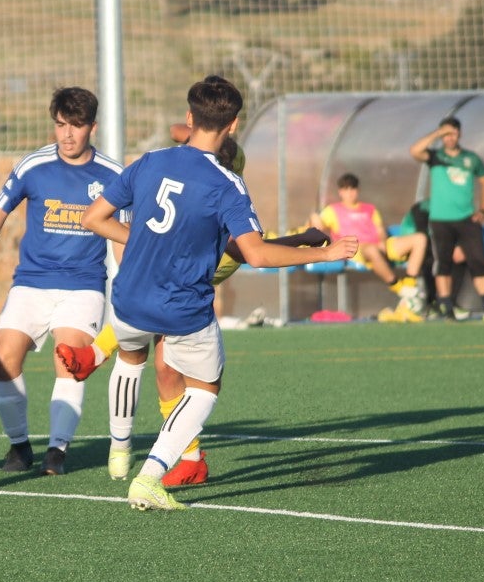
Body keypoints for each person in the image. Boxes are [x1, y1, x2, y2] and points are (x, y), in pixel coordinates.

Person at [80, 75, 357, 510]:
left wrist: (138, 241)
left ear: (190, 117)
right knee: (206, 387)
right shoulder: (228, 184)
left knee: (130, 359)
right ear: (233, 125)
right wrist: (323, 253)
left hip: (128, 301)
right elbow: (258, 255)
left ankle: (119, 447)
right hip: (181, 310)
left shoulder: (150, 160)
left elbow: (94, 218)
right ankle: (150, 476)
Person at [56, 124, 245, 487]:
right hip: (172, 267)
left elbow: (246, 247)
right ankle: (180, 457)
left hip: (200, 268)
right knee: (159, 365)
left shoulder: (223, 183)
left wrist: (303, 242)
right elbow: (182, 132)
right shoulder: (183, 161)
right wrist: (190, 128)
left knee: (163, 363)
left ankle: (96, 354)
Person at [0, 87, 123, 476]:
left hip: (83, 285)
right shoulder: (33, 165)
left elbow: (119, 234)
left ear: (92, 128)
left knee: (68, 358)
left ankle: (57, 451)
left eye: (76, 126)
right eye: (60, 125)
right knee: (4, 356)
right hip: (31, 281)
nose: (66, 135)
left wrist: (127, 281)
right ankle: (19, 445)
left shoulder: (114, 176)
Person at [409, 116, 484, 321]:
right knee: (443, 263)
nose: (449, 138)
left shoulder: (471, 159)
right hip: (441, 219)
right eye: (446, 134)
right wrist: (437, 133)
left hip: (467, 218)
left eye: (452, 133)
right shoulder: (435, 157)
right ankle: (447, 308)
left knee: (479, 261)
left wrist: (483, 210)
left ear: (460, 134)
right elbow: (414, 151)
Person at [310, 172, 427, 320]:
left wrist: (383, 242)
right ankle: (399, 287)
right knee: (371, 250)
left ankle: (410, 286)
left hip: (377, 245)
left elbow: (380, 230)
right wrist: (313, 218)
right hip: (356, 248)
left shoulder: (369, 209)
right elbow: (319, 226)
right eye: (346, 190)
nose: (350, 193)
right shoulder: (333, 210)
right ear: (340, 192)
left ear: (357, 191)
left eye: (353, 189)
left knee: (420, 238)